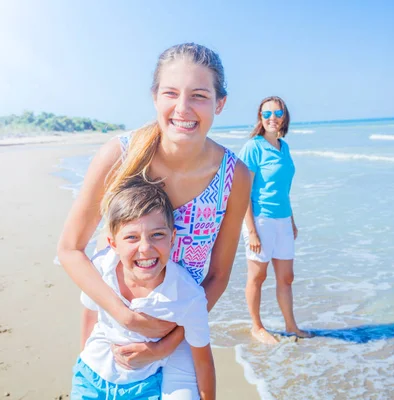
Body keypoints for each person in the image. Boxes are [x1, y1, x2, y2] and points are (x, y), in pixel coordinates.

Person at [57, 43, 251, 399]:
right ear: (155, 97)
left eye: (199, 95)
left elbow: (217, 276)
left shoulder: (234, 176)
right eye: (171, 93)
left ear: (219, 103)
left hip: (179, 329)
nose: (183, 108)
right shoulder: (120, 156)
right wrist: (126, 317)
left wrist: (166, 341)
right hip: (115, 320)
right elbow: (70, 249)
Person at [73, 176, 214, 400]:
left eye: (157, 234)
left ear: (173, 238)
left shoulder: (188, 296)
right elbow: (90, 313)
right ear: (113, 244)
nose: (145, 248)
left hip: (144, 386)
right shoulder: (101, 267)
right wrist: (83, 357)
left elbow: (203, 361)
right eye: (131, 237)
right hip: (90, 376)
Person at [239, 96, 310, 344]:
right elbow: (243, 192)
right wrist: (252, 231)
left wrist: (291, 221)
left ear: (284, 117)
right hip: (259, 220)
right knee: (257, 277)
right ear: (260, 118)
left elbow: (284, 189)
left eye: (277, 113)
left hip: (283, 220)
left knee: (286, 277)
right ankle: (256, 327)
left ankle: (291, 325)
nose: (272, 118)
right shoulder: (253, 147)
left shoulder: (284, 147)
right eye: (266, 114)